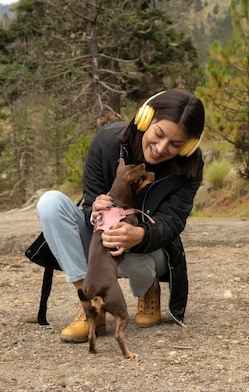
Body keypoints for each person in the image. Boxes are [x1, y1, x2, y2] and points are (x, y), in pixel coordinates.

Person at [36, 88, 205, 343]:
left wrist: (140, 234)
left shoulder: (189, 165)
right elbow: (88, 203)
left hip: (152, 251)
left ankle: (148, 289)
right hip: (103, 243)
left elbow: (174, 221)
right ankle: (91, 304)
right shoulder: (106, 142)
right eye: (158, 135)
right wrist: (94, 209)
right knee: (50, 203)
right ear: (145, 119)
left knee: (138, 261)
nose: (160, 148)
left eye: (175, 144)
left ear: (188, 146)